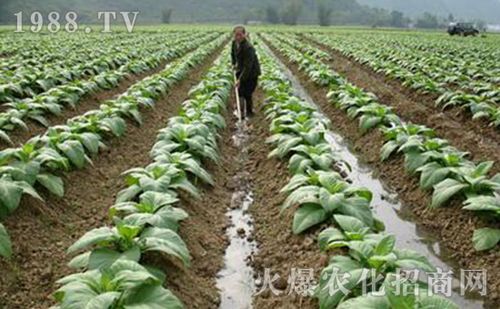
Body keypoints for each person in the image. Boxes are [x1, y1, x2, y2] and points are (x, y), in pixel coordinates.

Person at [231, 25, 261, 118]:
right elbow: (233, 54)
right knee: (240, 91)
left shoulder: (249, 48)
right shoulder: (234, 43)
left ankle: (249, 112)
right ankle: (240, 111)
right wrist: (234, 64)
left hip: (251, 73)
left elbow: (248, 66)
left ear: (245, 34)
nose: (238, 37)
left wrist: (240, 79)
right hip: (241, 69)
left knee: (247, 92)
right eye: (236, 35)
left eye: (240, 35)